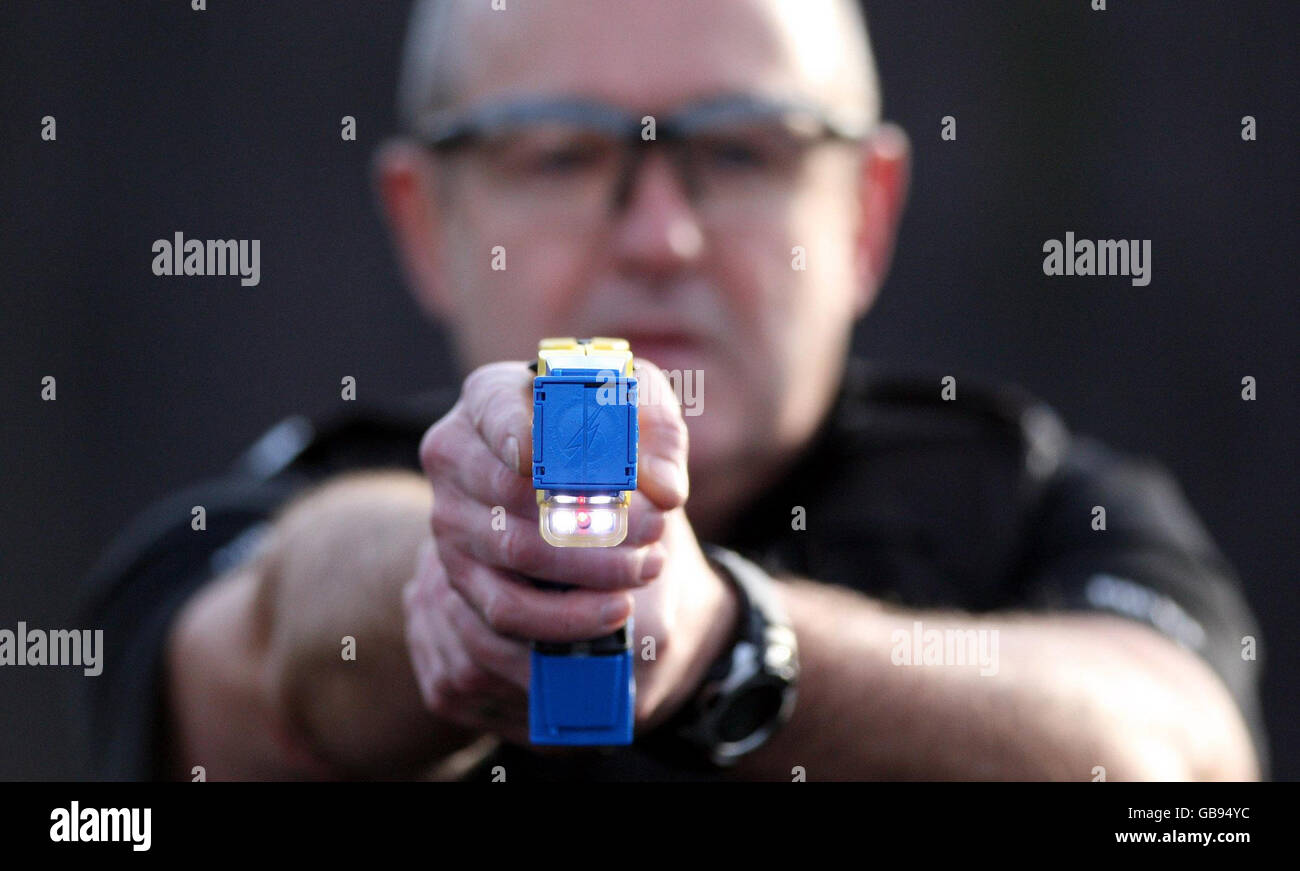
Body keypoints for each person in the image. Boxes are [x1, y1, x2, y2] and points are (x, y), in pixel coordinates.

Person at [83, 0, 1265, 781]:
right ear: (425, 223)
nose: (664, 236)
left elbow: (1180, 761)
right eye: (560, 152)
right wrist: (459, 572)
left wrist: (731, 643)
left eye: (743, 149)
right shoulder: (277, 506)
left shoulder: (1042, 502)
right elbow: (260, 660)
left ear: (863, 213)